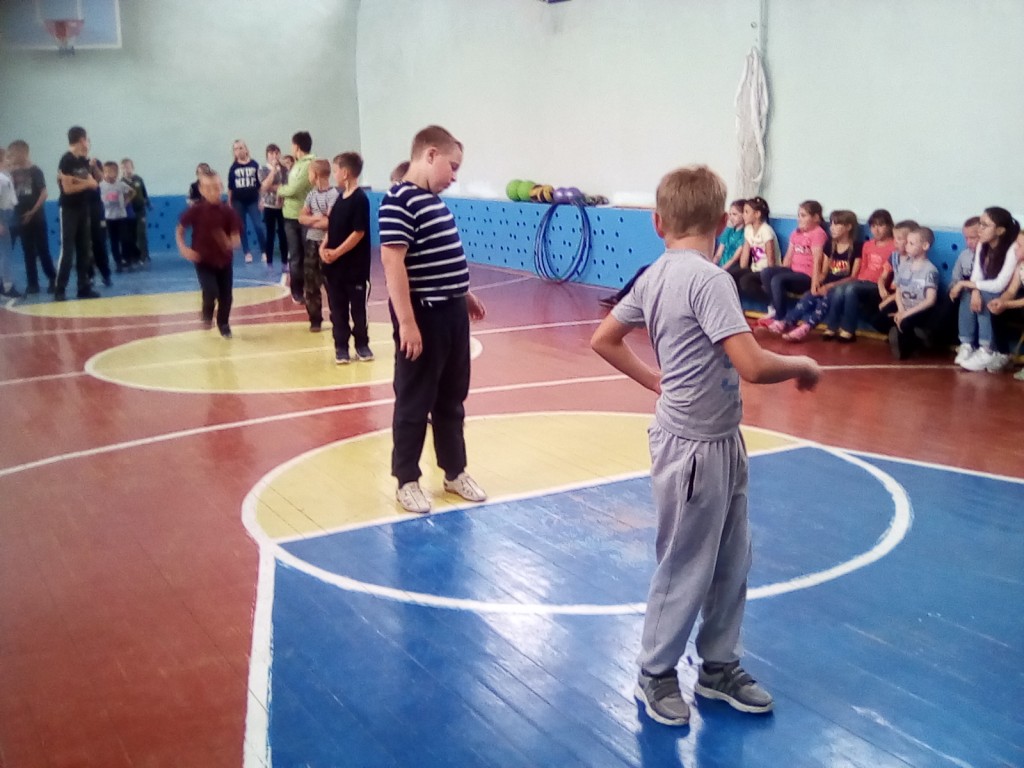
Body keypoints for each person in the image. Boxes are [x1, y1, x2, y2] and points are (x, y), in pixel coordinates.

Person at [590, 164, 820, 727]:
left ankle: (718, 665)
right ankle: (655, 670)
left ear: (657, 222)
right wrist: (802, 364)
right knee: (686, 562)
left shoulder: (654, 274)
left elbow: (604, 338)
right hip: (692, 447)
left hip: (719, 438)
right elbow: (752, 365)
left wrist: (654, 380)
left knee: (733, 556)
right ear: (722, 222)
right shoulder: (709, 280)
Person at [378, 125, 488, 515]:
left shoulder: (433, 202)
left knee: (451, 398)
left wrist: (463, 293)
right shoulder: (399, 201)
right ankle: (406, 480)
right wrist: (407, 323)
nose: (454, 176)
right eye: (452, 166)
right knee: (415, 400)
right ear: (430, 155)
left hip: (452, 312)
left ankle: (454, 472)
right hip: (423, 315)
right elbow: (393, 263)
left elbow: (440, 256)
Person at [773, 209, 862, 342]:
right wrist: (816, 284)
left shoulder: (857, 247)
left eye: (836, 224)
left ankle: (806, 327)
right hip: (826, 285)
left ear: (848, 227)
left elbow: (854, 276)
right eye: (831, 224)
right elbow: (824, 272)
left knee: (824, 301)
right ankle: (787, 321)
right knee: (807, 297)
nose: (832, 228)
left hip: (839, 287)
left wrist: (830, 286)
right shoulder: (830, 245)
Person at [175, 172, 242, 338]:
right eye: (208, 188)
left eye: (216, 188)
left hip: (224, 261)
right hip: (203, 260)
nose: (213, 191)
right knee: (211, 290)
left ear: (221, 188)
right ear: (201, 190)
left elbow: (236, 238)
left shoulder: (229, 212)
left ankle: (223, 324)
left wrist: (229, 242)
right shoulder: (196, 210)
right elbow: (180, 228)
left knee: (226, 296)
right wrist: (183, 248)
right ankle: (207, 311)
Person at [954, 207, 1020, 372]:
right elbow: (977, 276)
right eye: (980, 223)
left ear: (1000, 231)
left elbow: (1000, 284)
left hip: (1006, 295)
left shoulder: (1012, 249)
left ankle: (987, 349)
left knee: (987, 294)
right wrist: (974, 290)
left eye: (985, 225)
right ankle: (966, 344)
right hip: (990, 289)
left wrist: (969, 285)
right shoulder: (982, 245)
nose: (980, 229)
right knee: (969, 293)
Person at [321, 152, 372, 364]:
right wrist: (324, 247)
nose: (333, 175)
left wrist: (337, 252)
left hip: (355, 269)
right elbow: (332, 228)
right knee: (338, 310)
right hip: (335, 270)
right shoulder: (338, 200)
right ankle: (341, 346)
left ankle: (362, 344)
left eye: (335, 171)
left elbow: (358, 233)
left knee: (358, 310)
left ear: (346, 173)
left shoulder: (360, 200)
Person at [823, 208, 895, 341]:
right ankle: (832, 327)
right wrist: (857, 280)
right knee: (839, 289)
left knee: (851, 289)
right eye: (873, 226)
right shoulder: (867, 245)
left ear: (889, 226)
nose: (876, 230)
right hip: (862, 281)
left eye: (881, 226)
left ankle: (848, 330)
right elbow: (863, 267)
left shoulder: (894, 246)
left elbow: (893, 272)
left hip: (877, 284)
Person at [755, 200, 827, 325]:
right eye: (799, 215)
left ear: (816, 218)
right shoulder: (796, 233)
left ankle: (780, 318)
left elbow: (818, 259)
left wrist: (815, 283)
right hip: (793, 272)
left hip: (806, 276)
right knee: (766, 273)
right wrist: (781, 270)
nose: (799, 219)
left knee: (778, 280)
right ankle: (774, 308)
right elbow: (788, 257)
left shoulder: (818, 234)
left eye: (803, 216)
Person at [55, 126, 100, 301]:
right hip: (69, 209)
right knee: (67, 250)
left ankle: (83, 287)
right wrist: (85, 184)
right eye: (87, 139)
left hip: (83, 208)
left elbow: (95, 183)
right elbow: (68, 189)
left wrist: (79, 181)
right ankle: (60, 289)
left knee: (84, 249)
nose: (88, 143)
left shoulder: (83, 161)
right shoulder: (66, 160)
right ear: (82, 140)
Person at [7, 140, 55, 294]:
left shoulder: (35, 171)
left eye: (13, 154)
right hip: (20, 216)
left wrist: (33, 211)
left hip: (36, 217)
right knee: (27, 250)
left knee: (43, 250)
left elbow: (44, 193)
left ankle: (52, 278)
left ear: (23, 153)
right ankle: (32, 283)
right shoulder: (12, 173)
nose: (12, 157)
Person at [297, 159, 338, 332]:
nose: (308, 176)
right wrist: (316, 218)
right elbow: (301, 218)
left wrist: (314, 220)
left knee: (332, 283)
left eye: (309, 173)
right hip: (311, 243)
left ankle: (337, 318)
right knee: (311, 283)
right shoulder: (311, 195)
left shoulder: (333, 195)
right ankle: (315, 319)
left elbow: (330, 222)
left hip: (328, 243)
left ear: (316, 174)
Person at [887, 226, 940, 359]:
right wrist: (901, 310)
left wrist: (905, 314)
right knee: (882, 316)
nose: (907, 246)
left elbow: (930, 300)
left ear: (925, 246)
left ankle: (911, 342)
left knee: (904, 322)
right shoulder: (904, 265)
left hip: (920, 310)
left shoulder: (930, 270)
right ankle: (908, 335)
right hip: (904, 307)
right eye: (907, 243)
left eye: (911, 244)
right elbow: (898, 290)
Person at [276, 132, 316, 302]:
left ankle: (309, 288)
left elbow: (294, 189)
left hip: (304, 216)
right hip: (290, 216)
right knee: (295, 255)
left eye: (292, 145)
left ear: (297, 146)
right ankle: (297, 291)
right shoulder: (296, 165)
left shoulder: (309, 164)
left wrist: (279, 190)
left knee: (307, 255)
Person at [987, 233, 1024, 380]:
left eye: (1019, 246)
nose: (1015, 248)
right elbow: (1011, 290)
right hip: (1019, 305)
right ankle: (1003, 353)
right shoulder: (1020, 265)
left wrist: (1007, 304)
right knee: (998, 311)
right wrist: (1001, 301)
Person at [227, 140, 266, 264]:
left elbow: (260, 185)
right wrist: (229, 202)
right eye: (236, 149)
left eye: (240, 148)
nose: (238, 151)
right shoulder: (233, 168)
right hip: (238, 202)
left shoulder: (254, 165)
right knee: (241, 227)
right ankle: (247, 252)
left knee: (258, 226)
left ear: (246, 149)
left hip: (253, 201)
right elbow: (230, 187)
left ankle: (264, 251)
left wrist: (262, 199)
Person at [732, 196, 777, 304]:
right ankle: (735, 305)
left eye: (746, 212)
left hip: (766, 271)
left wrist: (768, 280)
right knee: (730, 276)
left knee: (745, 282)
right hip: (754, 269)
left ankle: (771, 302)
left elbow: (771, 259)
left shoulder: (766, 231)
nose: (743, 215)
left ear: (757, 214)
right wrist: (741, 270)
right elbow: (745, 257)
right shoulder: (748, 229)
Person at [99, 161, 136, 272]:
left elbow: (132, 191)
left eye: (113, 172)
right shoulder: (101, 186)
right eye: (107, 172)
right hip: (109, 217)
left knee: (125, 238)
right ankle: (118, 261)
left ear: (116, 173)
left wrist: (126, 201)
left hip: (121, 216)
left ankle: (127, 259)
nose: (110, 174)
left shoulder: (120, 184)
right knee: (113, 241)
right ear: (104, 173)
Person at [258, 144, 288, 269]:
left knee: (283, 234)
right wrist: (273, 171)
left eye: (276, 153)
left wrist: (275, 188)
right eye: (271, 153)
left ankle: (285, 262)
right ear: (267, 155)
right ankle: (269, 262)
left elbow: (286, 186)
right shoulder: (263, 169)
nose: (274, 156)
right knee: (270, 234)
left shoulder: (284, 169)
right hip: (269, 205)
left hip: (282, 206)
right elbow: (264, 186)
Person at [879, 219, 918, 308]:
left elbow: (911, 288)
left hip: (904, 296)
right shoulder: (894, 256)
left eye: (899, 239)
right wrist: (881, 288)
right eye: (894, 238)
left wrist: (890, 299)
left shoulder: (915, 261)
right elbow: (883, 277)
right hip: (892, 290)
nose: (895, 242)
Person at [121, 158, 151, 263]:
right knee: (130, 235)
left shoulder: (139, 179)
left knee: (141, 233)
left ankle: (144, 255)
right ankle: (134, 256)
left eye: (128, 167)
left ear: (132, 167)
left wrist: (148, 203)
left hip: (140, 210)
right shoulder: (121, 182)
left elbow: (144, 193)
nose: (126, 169)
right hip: (128, 212)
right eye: (124, 168)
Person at [0, 146, 20, 297]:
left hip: (7, 213)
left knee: (5, 251)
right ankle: (7, 286)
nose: (8, 161)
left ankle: (3, 283)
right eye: (6, 158)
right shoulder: (1, 179)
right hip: (3, 214)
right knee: (5, 253)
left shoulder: (5, 176)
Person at [716, 199, 747, 272]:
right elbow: (718, 254)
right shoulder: (728, 230)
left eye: (734, 214)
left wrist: (721, 270)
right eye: (730, 214)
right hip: (719, 265)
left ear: (743, 215)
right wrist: (712, 265)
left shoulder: (745, 234)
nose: (731, 218)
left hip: (730, 267)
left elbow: (734, 258)